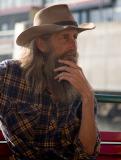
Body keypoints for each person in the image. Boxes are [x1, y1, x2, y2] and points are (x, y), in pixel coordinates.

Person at [0, 4, 100, 160]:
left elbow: (87, 152)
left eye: (75, 37)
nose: (74, 46)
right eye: (65, 37)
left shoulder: (80, 86)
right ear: (41, 44)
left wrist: (88, 96)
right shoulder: (8, 75)